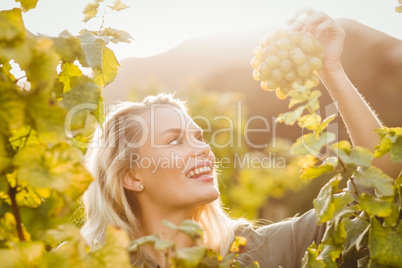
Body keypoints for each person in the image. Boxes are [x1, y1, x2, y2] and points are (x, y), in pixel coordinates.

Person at [81, 9, 399, 267]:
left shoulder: (261, 252)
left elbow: (377, 186)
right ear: (131, 176)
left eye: (199, 136)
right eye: (175, 140)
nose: (203, 148)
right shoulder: (92, 263)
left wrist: (332, 70)